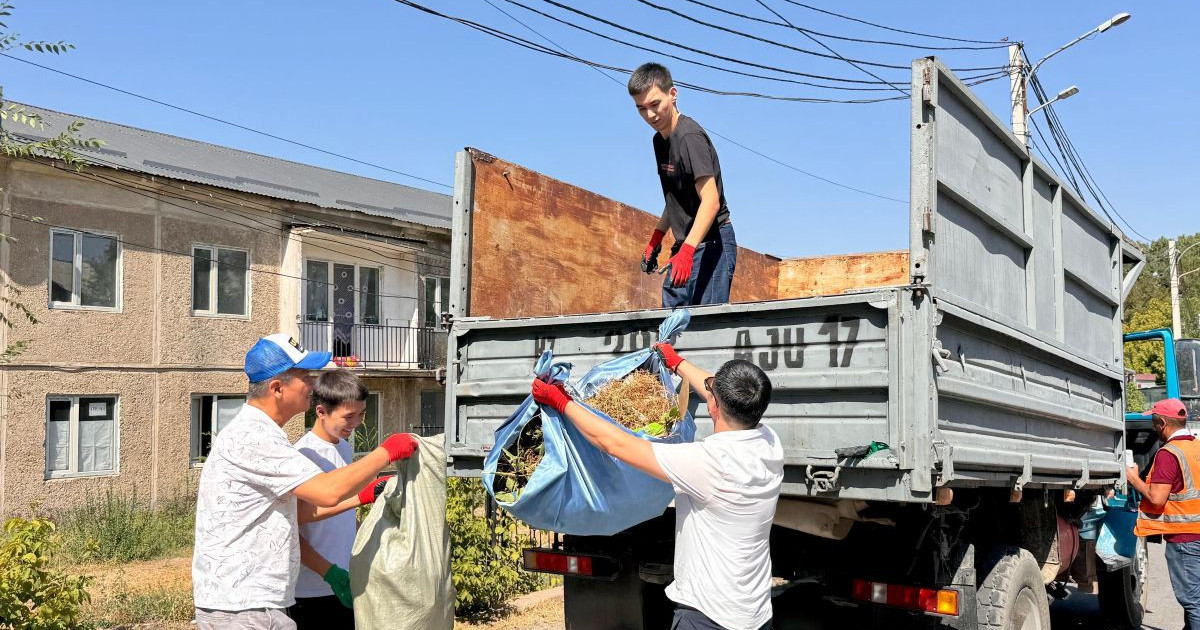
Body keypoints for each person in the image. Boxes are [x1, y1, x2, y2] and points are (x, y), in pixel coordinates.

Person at [531, 342, 781, 630]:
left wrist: (561, 402)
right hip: (756, 615)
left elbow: (615, 443)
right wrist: (675, 362)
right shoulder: (768, 443)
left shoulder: (709, 463)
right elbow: (722, 392)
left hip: (709, 618)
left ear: (713, 404)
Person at [192, 333, 417, 630]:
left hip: (251, 601)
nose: (313, 385)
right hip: (243, 605)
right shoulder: (254, 437)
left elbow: (313, 501)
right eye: (304, 376)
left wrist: (362, 494)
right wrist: (386, 451)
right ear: (277, 388)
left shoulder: (264, 434)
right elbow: (326, 491)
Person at [289, 369, 394, 628]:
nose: (356, 423)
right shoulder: (303, 454)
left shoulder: (343, 447)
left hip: (344, 580)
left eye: (361, 415)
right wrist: (329, 572)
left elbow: (343, 517)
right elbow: (292, 523)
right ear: (321, 412)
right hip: (312, 590)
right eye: (349, 416)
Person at [630, 62, 737, 309]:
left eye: (655, 104)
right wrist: (655, 240)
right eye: (641, 109)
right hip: (687, 243)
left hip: (712, 242)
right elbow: (675, 198)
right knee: (672, 324)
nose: (650, 115)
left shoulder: (689, 136)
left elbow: (711, 201)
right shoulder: (659, 141)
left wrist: (687, 251)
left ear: (673, 94)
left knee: (704, 330)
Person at [1127, 397, 1200, 629]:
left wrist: (1133, 478)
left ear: (1161, 423)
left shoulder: (1169, 454)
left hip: (1184, 538)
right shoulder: (1196, 446)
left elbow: (1157, 498)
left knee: (1193, 602)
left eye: (1154, 422)